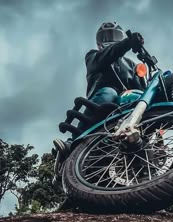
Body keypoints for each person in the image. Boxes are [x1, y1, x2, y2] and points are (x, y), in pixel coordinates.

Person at [53, 22, 146, 160]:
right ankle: (74, 142)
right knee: (110, 93)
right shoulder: (93, 56)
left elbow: (141, 89)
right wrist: (127, 43)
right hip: (104, 104)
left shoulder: (131, 64)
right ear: (99, 41)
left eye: (114, 35)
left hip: (127, 106)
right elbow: (106, 57)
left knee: (139, 98)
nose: (110, 39)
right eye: (106, 36)